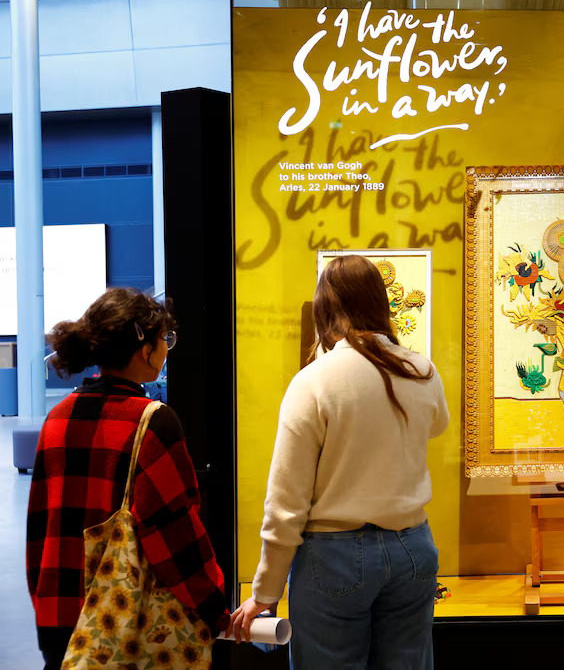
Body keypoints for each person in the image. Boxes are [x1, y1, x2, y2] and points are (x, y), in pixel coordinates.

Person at [229, 256, 449, 670]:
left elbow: (286, 500)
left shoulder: (315, 380)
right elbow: (438, 425)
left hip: (333, 556)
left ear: (325, 309)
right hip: (413, 547)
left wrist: (266, 590)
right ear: (381, 304)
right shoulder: (422, 370)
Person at [26, 288, 230, 670]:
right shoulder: (153, 421)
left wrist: (46, 612)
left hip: (59, 619)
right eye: (164, 338)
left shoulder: (58, 418)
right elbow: (173, 532)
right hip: (128, 628)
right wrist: (212, 605)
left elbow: (41, 528)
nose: (167, 348)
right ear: (145, 348)